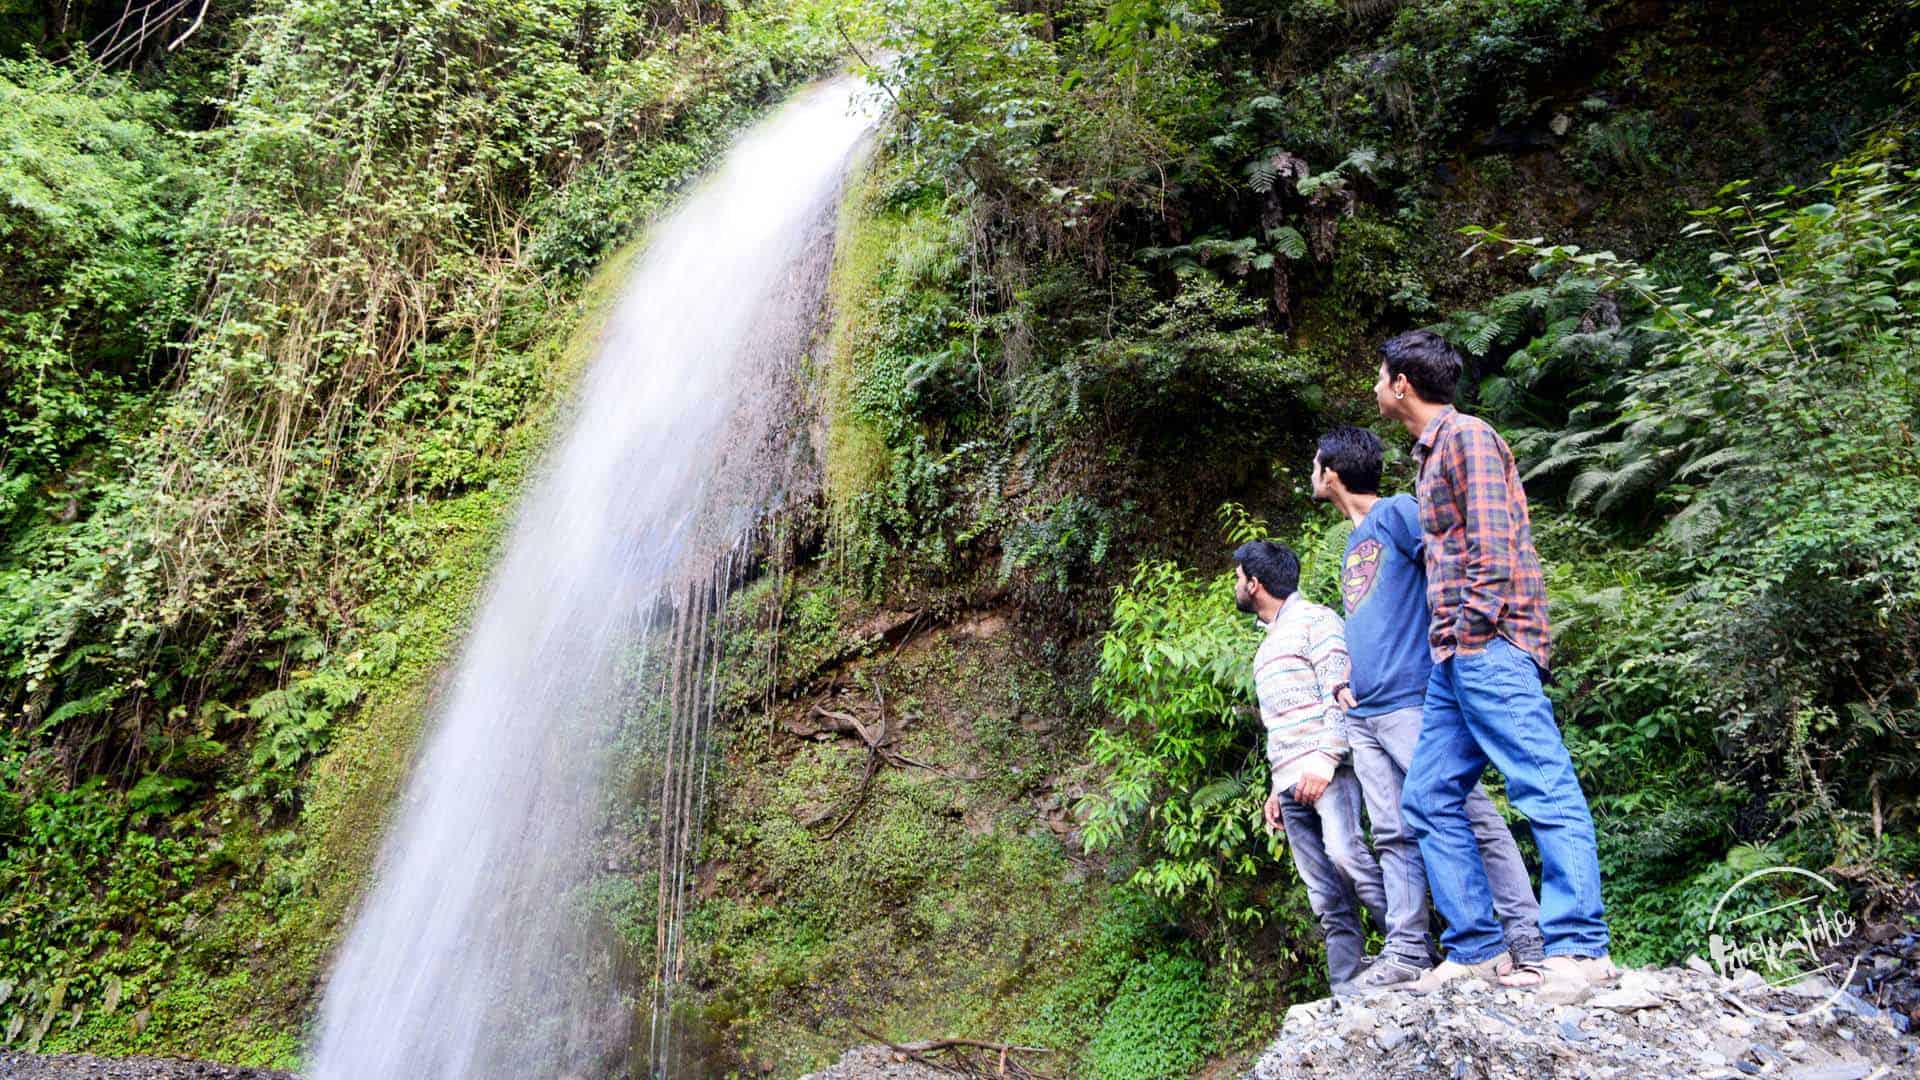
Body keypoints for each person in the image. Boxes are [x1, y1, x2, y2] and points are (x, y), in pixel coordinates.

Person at [1373, 329, 1616, 1001]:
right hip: (1454, 655)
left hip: (1487, 646)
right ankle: (1478, 949)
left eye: (1379, 374)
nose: (1374, 386)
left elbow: (1496, 545)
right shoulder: (1428, 455)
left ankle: (1580, 948)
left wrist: (1474, 629)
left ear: (1402, 384)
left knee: (1543, 785)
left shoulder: (1466, 438)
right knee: (1426, 798)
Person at [1310, 425, 1545, 992]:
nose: (1310, 473)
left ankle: (1527, 937)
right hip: (1364, 708)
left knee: (1468, 812)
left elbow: (1451, 566)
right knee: (1392, 831)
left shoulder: (1397, 512)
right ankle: (1408, 949)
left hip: (1414, 698)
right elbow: (1375, 617)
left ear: (1331, 471)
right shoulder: (1354, 540)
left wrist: (1460, 650)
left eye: (1314, 463)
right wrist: (1346, 676)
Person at [1234, 539, 1388, 992]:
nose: (1237, 587)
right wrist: (1274, 788)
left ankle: (1410, 951)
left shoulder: (1316, 621)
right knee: (1321, 890)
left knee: (1348, 856)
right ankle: (1347, 983)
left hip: (1327, 770)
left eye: (1239, 579)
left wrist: (1325, 758)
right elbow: (1280, 724)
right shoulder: (1267, 645)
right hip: (1289, 780)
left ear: (1255, 584)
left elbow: (1339, 693)